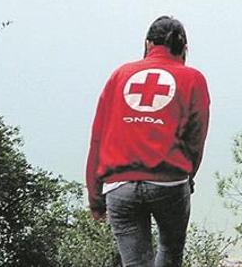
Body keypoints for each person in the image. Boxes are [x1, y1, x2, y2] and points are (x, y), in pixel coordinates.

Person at [86, 15, 210, 267]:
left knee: (135, 263)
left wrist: (95, 197)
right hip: (169, 183)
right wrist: (189, 175)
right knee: (170, 250)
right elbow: (196, 137)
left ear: (147, 44)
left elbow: (98, 137)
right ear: (184, 49)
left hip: (119, 186)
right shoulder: (192, 78)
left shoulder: (120, 74)